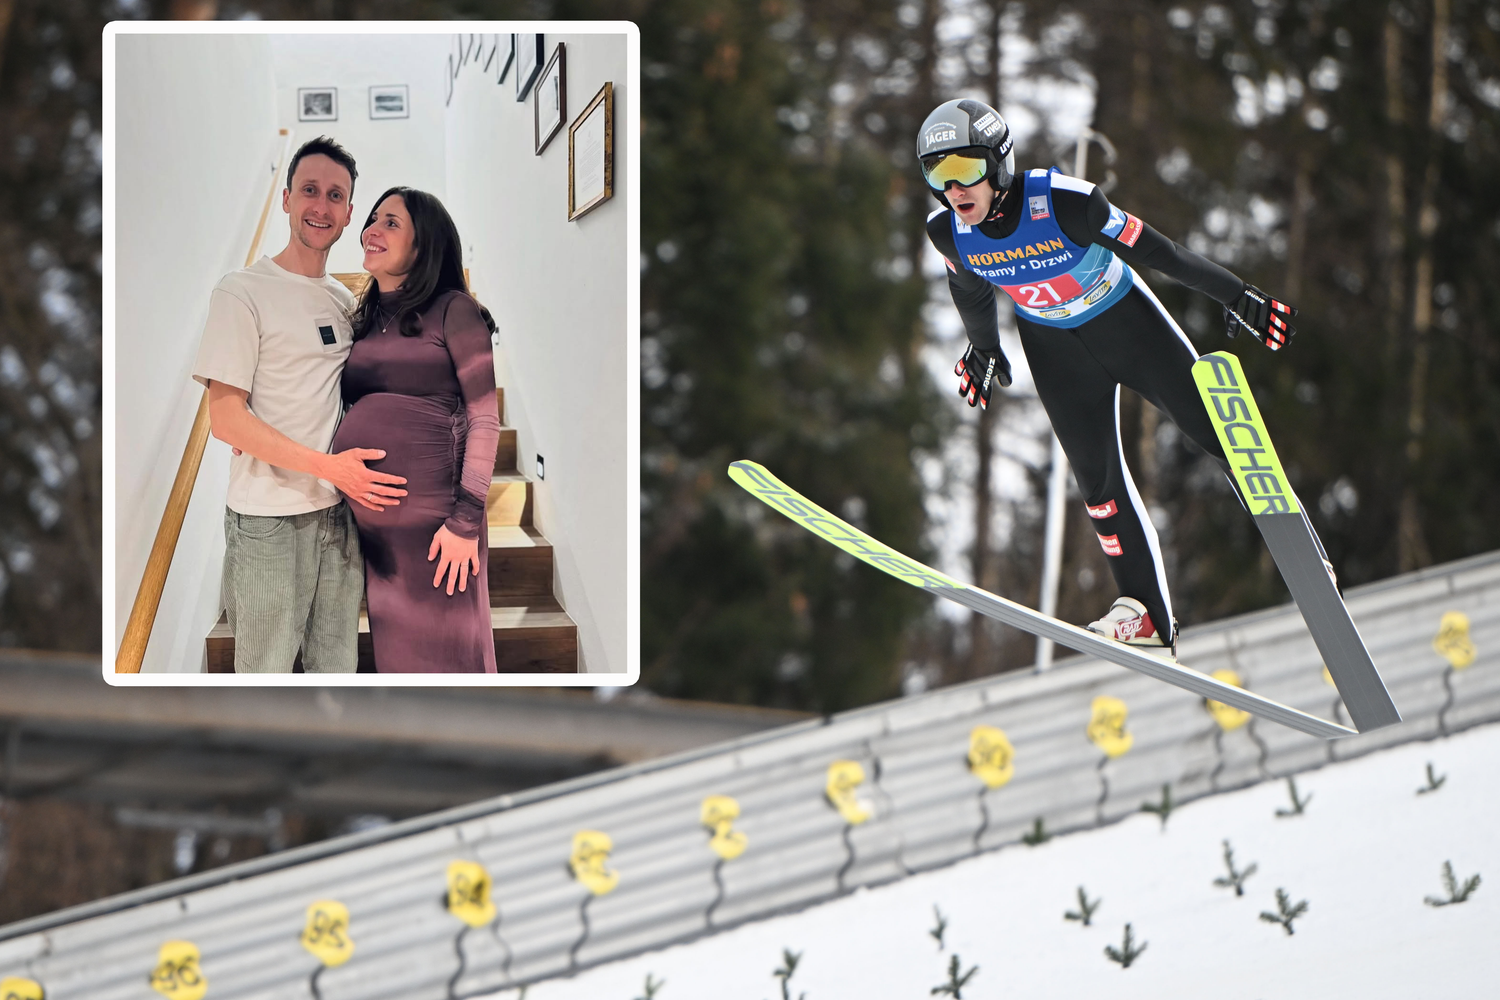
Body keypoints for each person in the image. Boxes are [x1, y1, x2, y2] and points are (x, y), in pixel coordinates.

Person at [918, 99, 1298, 657]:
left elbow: (1163, 253)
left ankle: (1298, 550)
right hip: (1055, 350)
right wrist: (984, 348)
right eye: (937, 175)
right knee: (1097, 485)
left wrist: (1236, 294)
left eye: (964, 169)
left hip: (1127, 325)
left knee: (1215, 434)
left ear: (999, 162)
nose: (953, 189)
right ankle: (1145, 612)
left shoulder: (1067, 202)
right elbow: (970, 292)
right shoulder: (950, 233)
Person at [193, 136, 408, 673]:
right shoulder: (241, 291)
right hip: (267, 521)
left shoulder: (344, 299)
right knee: (264, 677)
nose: (322, 206)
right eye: (310, 190)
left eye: (336, 196)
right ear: (287, 199)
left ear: (350, 213)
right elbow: (226, 419)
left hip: (340, 517)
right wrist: (326, 467)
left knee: (335, 673)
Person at [330, 187, 501, 672]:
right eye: (373, 219)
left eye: (391, 223)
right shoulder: (365, 318)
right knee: (400, 667)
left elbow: (485, 418)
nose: (372, 230)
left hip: (440, 527)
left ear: (423, 244)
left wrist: (465, 523)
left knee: (454, 664)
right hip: (379, 542)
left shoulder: (454, 310)